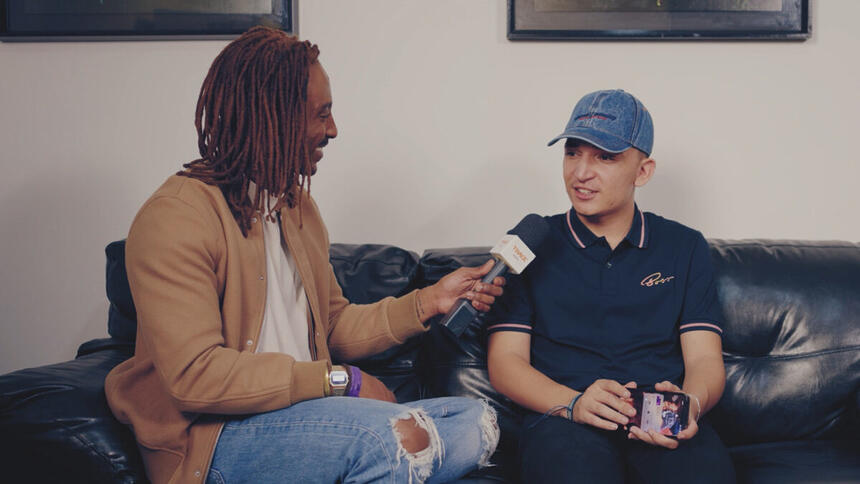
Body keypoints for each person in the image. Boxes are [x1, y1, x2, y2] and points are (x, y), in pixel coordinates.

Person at [105, 26, 502, 484]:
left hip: (309, 417)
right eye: (321, 114)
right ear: (271, 116)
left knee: (474, 418)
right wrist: (342, 382)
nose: (333, 130)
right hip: (219, 437)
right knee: (386, 438)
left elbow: (334, 326)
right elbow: (197, 377)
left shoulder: (295, 207)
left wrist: (430, 301)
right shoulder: (176, 218)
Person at [486, 89, 736, 483]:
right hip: (564, 418)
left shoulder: (684, 246)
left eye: (605, 157)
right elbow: (505, 363)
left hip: (658, 415)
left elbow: (705, 360)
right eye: (573, 153)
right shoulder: (530, 243)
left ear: (643, 171)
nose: (581, 172)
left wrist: (692, 404)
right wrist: (573, 404)